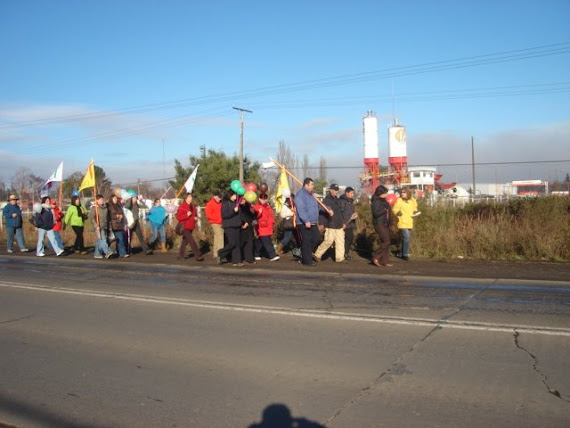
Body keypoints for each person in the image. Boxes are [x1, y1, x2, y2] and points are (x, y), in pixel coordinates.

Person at [313, 184, 345, 263]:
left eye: (337, 190)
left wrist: (343, 222)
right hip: (330, 224)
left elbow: (340, 213)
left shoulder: (338, 200)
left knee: (340, 241)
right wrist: (322, 223)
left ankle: (340, 258)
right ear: (330, 190)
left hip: (339, 224)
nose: (336, 192)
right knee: (328, 241)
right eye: (334, 190)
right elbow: (321, 213)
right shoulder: (326, 201)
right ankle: (317, 254)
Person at [294, 178, 322, 266]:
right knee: (306, 241)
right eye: (312, 185)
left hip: (313, 222)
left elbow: (318, 206)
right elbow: (301, 209)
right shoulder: (300, 195)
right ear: (306, 185)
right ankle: (307, 261)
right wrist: (306, 220)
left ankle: (304, 254)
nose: (313, 186)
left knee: (316, 238)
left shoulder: (311, 195)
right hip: (303, 223)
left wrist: (328, 209)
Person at [392, 188, 419, 261]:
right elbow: (395, 209)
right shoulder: (399, 200)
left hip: (410, 221)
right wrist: (397, 212)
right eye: (401, 192)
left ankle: (402, 252)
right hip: (402, 221)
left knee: (406, 238)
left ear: (407, 193)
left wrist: (415, 212)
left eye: (404, 192)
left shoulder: (412, 200)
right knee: (406, 237)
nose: (402, 193)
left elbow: (415, 208)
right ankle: (405, 254)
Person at [175, 193, 204, 262]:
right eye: (190, 197)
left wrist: (195, 217)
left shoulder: (193, 206)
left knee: (185, 241)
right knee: (192, 241)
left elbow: (195, 214)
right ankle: (197, 255)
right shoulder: (182, 206)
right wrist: (186, 215)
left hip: (191, 226)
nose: (191, 198)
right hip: (184, 226)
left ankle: (180, 255)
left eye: (191, 196)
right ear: (186, 198)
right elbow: (178, 217)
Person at [218, 189, 243, 267]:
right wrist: (233, 211)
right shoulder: (225, 203)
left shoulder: (236, 203)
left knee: (237, 244)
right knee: (232, 243)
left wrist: (242, 222)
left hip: (237, 224)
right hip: (229, 225)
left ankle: (237, 261)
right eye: (234, 195)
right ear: (230, 195)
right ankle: (221, 253)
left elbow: (239, 214)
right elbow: (224, 215)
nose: (236, 196)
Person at [371, 185, 393, 267]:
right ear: (380, 193)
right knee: (386, 241)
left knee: (387, 242)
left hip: (385, 223)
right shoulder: (376, 201)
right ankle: (376, 256)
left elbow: (389, 211)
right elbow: (376, 213)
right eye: (385, 193)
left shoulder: (384, 201)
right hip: (379, 223)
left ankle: (384, 261)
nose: (386, 195)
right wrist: (384, 210)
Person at [254, 193, 280, 261]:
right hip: (261, 227)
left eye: (265, 199)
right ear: (259, 199)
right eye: (262, 199)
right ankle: (272, 255)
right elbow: (254, 216)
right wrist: (259, 212)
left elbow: (271, 217)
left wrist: (272, 223)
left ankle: (256, 253)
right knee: (267, 242)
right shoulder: (257, 206)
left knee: (260, 242)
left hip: (268, 227)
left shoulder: (268, 207)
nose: (264, 200)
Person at [90, 194, 114, 259]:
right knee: (103, 240)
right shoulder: (94, 208)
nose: (102, 201)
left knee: (99, 240)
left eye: (102, 200)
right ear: (97, 200)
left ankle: (97, 254)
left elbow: (107, 217)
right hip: (98, 227)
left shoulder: (105, 208)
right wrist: (96, 226)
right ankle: (108, 251)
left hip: (105, 226)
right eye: (100, 200)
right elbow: (92, 218)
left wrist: (109, 226)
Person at [339, 186, 358, 260]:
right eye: (351, 193)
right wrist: (343, 222)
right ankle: (344, 253)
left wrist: (354, 215)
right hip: (345, 223)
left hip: (350, 223)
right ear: (346, 193)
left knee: (349, 238)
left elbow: (350, 211)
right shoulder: (343, 201)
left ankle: (345, 253)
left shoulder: (351, 201)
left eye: (353, 193)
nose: (352, 195)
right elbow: (341, 213)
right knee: (348, 238)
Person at [204, 190, 223, 259]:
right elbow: (208, 214)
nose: (220, 199)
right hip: (214, 222)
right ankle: (221, 253)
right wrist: (218, 218)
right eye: (219, 197)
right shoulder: (210, 204)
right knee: (220, 236)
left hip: (221, 222)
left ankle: (216, 253)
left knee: (217, 237)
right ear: (215, 197)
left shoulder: (221, 203)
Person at [239, 197, 256, 264]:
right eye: (242, 199)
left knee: (249, 242)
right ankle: (239, 257)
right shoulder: (238, 207)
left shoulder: (248, 205)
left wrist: (252, 208)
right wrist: (242, 223)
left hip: (249, 225)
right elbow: (239, 216)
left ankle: (249, 258)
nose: (243, 201)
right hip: (242, 226)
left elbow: (253, 214)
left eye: (244, 199)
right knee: (241, 242)